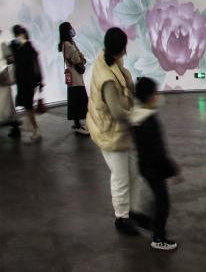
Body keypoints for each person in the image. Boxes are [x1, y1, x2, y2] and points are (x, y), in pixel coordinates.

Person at [87, 27, 147, 235]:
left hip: (121, 132)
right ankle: (122, 217)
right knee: (121, 177)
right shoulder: (107, 78)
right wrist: (140, 116)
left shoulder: (108, 61)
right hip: (111, 133)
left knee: (133, 173)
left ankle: (133, 210)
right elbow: (117, 112)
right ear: (121, 49)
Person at [130, 77, 181, 251]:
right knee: (163, 202)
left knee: (158, 198)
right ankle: (158, 237)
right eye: (156, 93)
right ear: (151, 97)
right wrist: (173, 170)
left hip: (145, 166)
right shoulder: (149, 122)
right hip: (154, 169)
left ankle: (153, 224)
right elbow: (158, 151)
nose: (158, 96)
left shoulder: (137, 116)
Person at [12, 24, 43, 143]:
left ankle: (35, 131)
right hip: (26, 81)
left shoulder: (26, 47)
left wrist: (40, 80)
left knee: (28, 107)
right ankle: (33, 130)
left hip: (28, 82)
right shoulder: (24, 47)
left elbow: (31, 64)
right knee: (27, 106)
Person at [59, 21, 89, 135]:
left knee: (76, 99)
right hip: (74, 75)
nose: (72, 30)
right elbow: (77, 58)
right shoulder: (67, 44)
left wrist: (81, 58)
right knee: (79, 99)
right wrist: (81, 59)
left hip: (75, 74)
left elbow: (79, 56)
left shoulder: (70, 43)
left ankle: (78, 124)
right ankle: (82, 125)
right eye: (70, 28)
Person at [1, 27, 19, 138]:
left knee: (6, 103)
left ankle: (15, 125)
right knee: (5, 103)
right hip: (2, 77)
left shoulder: (2, 43)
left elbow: (10, 58)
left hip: (2, 77)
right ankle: (14, 125)